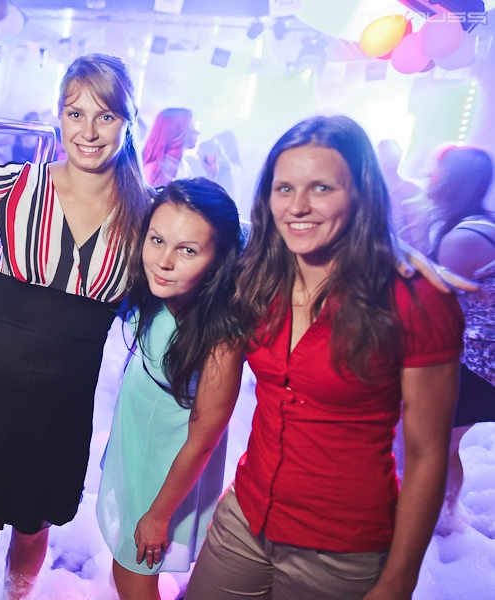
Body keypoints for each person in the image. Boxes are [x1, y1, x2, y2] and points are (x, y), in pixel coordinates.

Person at [186, 115, 465, 600]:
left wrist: (399, 579)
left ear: (360, 194)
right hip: (245, 519)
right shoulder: (258, 276)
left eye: (321, 188)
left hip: (342, 550)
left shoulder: (415, 300)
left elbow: (426, 453)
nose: (298, 206)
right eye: (284, 188)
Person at [0, 53, 151, 600]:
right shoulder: (16, 184)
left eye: (105, 116)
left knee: (34, 528)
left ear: (128, 122)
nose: (89, 131)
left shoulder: (145, 215)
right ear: (59, 117)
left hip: (63, 400)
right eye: (75, 114)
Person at [96, 179, 244, 600]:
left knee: (132, 576)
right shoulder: (158, 289)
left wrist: (160, 515)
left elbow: (203, 440)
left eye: (188, 250)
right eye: (157, 240)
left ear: (218, 262)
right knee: (123, 565)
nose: (163, 261)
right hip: (137, 439)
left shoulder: (221, 338)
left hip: (166, 464)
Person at [425, 145, 495, 533]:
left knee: (431, 445)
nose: (429, 177)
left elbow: (434, 309)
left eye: (437, 172)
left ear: (455, 182)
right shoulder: (480, 224)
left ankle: (441, 522)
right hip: (481, 360)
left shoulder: (462, 239)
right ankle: (446, 520)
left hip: (478, 364)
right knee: (441, 444)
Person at [142, 108, 199, 188]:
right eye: (192, 130)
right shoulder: (153, 170)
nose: (198, 133)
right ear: (177, 134)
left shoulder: (183, 166)